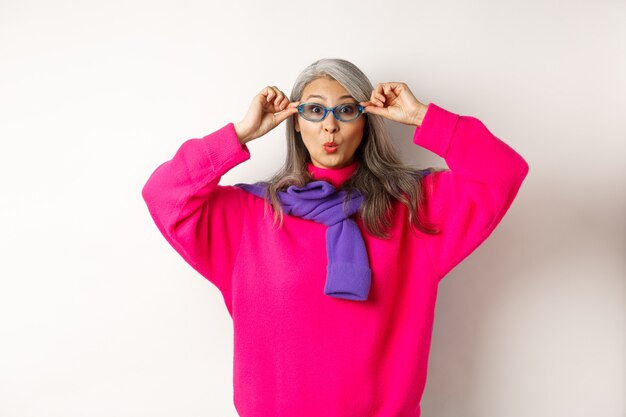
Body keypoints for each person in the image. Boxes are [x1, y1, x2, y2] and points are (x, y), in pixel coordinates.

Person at [141, 58, 529, 417]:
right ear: (295, 122)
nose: (330, 126)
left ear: (366, 120)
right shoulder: (250, 215)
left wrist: (422, 117)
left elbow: (502, 171)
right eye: (313, 110)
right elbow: (164, 194)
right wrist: (241, 133)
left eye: (346, 109)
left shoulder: (413, 209)